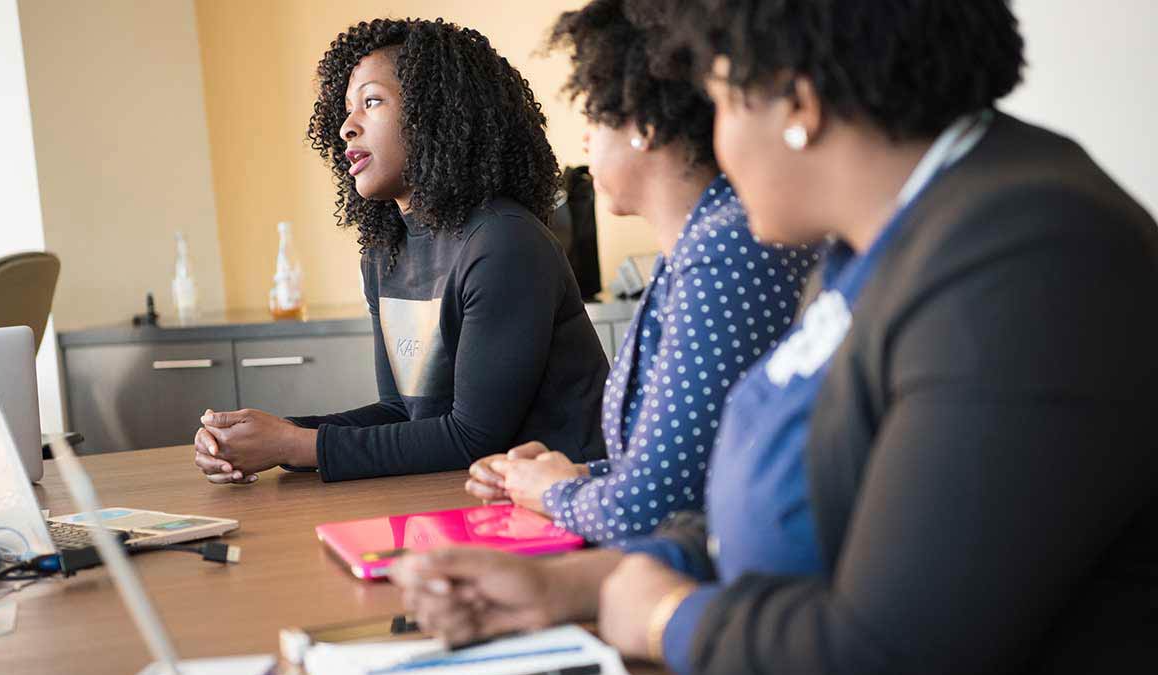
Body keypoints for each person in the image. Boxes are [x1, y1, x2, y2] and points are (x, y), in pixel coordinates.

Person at [389, 1, 1158, 673]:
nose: (716, 145)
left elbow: (890, 649)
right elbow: (779, 512)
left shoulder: (1028, 257)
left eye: (720, 103)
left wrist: (665, 618)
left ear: (797, 102)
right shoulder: (875, 242)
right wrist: (569, 588)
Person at [192, 18, 609, 484]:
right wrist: (272, 438)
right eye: (347, 109)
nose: (347, 127)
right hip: (465, 495)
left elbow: (474, 437)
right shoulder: (384, 252)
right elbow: (403, 413)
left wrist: (297, 444)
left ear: (436, 113)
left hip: (564, 510)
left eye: (372, 102)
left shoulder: (504, 243)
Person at [464, 0, 814, 543]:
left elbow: (651, 508)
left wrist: (554, 493)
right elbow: (689, 468)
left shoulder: (722, 249)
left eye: (592, 116)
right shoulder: (699, 245)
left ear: (644, 124)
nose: (583, 141)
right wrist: (571, 475)